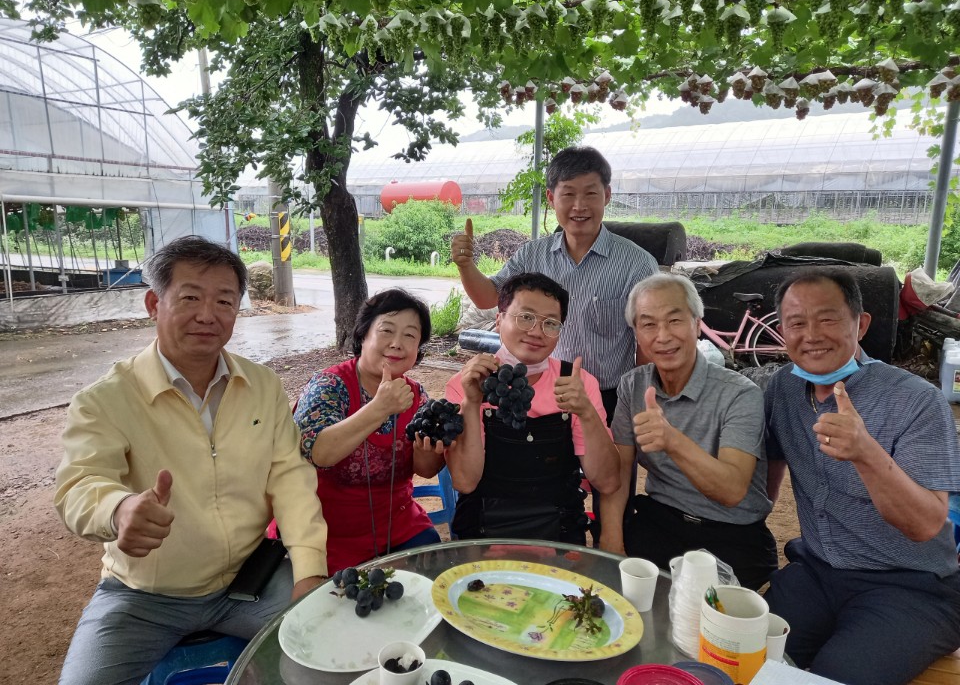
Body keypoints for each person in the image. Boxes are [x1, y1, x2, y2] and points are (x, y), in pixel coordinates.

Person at [55, 236, 327, 685]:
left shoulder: (262, 386)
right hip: (144, 597)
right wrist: (118, 509)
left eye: (224, 301)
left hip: (252, 579)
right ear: (153, 304)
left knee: (335, 651)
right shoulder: (105, 400)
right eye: (190, 298)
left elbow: (291, 479)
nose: (207, 315)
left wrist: (309, 568)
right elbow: (79, 485)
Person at [764, 269, 960, 685]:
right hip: (817, 571)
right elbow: (769, 471)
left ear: (861, 324)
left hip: (910, 586)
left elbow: (926, 524)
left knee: (835, 677)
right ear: (782, 331)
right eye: (796, 322)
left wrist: (866, 453)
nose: (811, 335)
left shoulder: (916, 401)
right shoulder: (782, 389)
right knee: (744, 651)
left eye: (827, 319)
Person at [451, 146, 658, 421]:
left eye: (590, 194)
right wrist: (466, 266)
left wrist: (639, 403)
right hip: (540, 394)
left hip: (610, 397)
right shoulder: (532, 255)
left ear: (607, 195)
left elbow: (648, 342)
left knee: (605, 452)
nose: (579, 206)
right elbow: (488, 298)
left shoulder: (637, 264)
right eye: (568, 194)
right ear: (551, 198)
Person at [599, 273, 777, 591]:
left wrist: (672, 440)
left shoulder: (740, 394)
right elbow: (619, 473)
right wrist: (611, 539)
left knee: (706, 617)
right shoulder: (633, 385)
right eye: (648, 324)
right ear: (636, 333)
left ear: (697, 324)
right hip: (661, 521)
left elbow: (732, 491)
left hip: (732, 533)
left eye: (674, 320)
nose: (663, 336)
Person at [443, 273, 620, 544]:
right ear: (499, 320)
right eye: (525, 317)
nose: (537, 332)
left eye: (550, 323)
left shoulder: (579, 383)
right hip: (483, 533)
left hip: (559, 532)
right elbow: (465, 482)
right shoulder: (466, 384)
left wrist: (586, 413)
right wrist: (471, 402)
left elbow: (607, 482)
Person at [295, 289, 445, 572]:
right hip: (326, 531)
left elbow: (425, 470)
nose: (397, 343)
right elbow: (319, 453)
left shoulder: (416, 396)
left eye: (410, 335)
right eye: (387, 330)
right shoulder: (329, 385)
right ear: (363, 335)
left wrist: (428, 452)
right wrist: (379, 408)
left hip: (397, 525)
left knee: (433, 574)